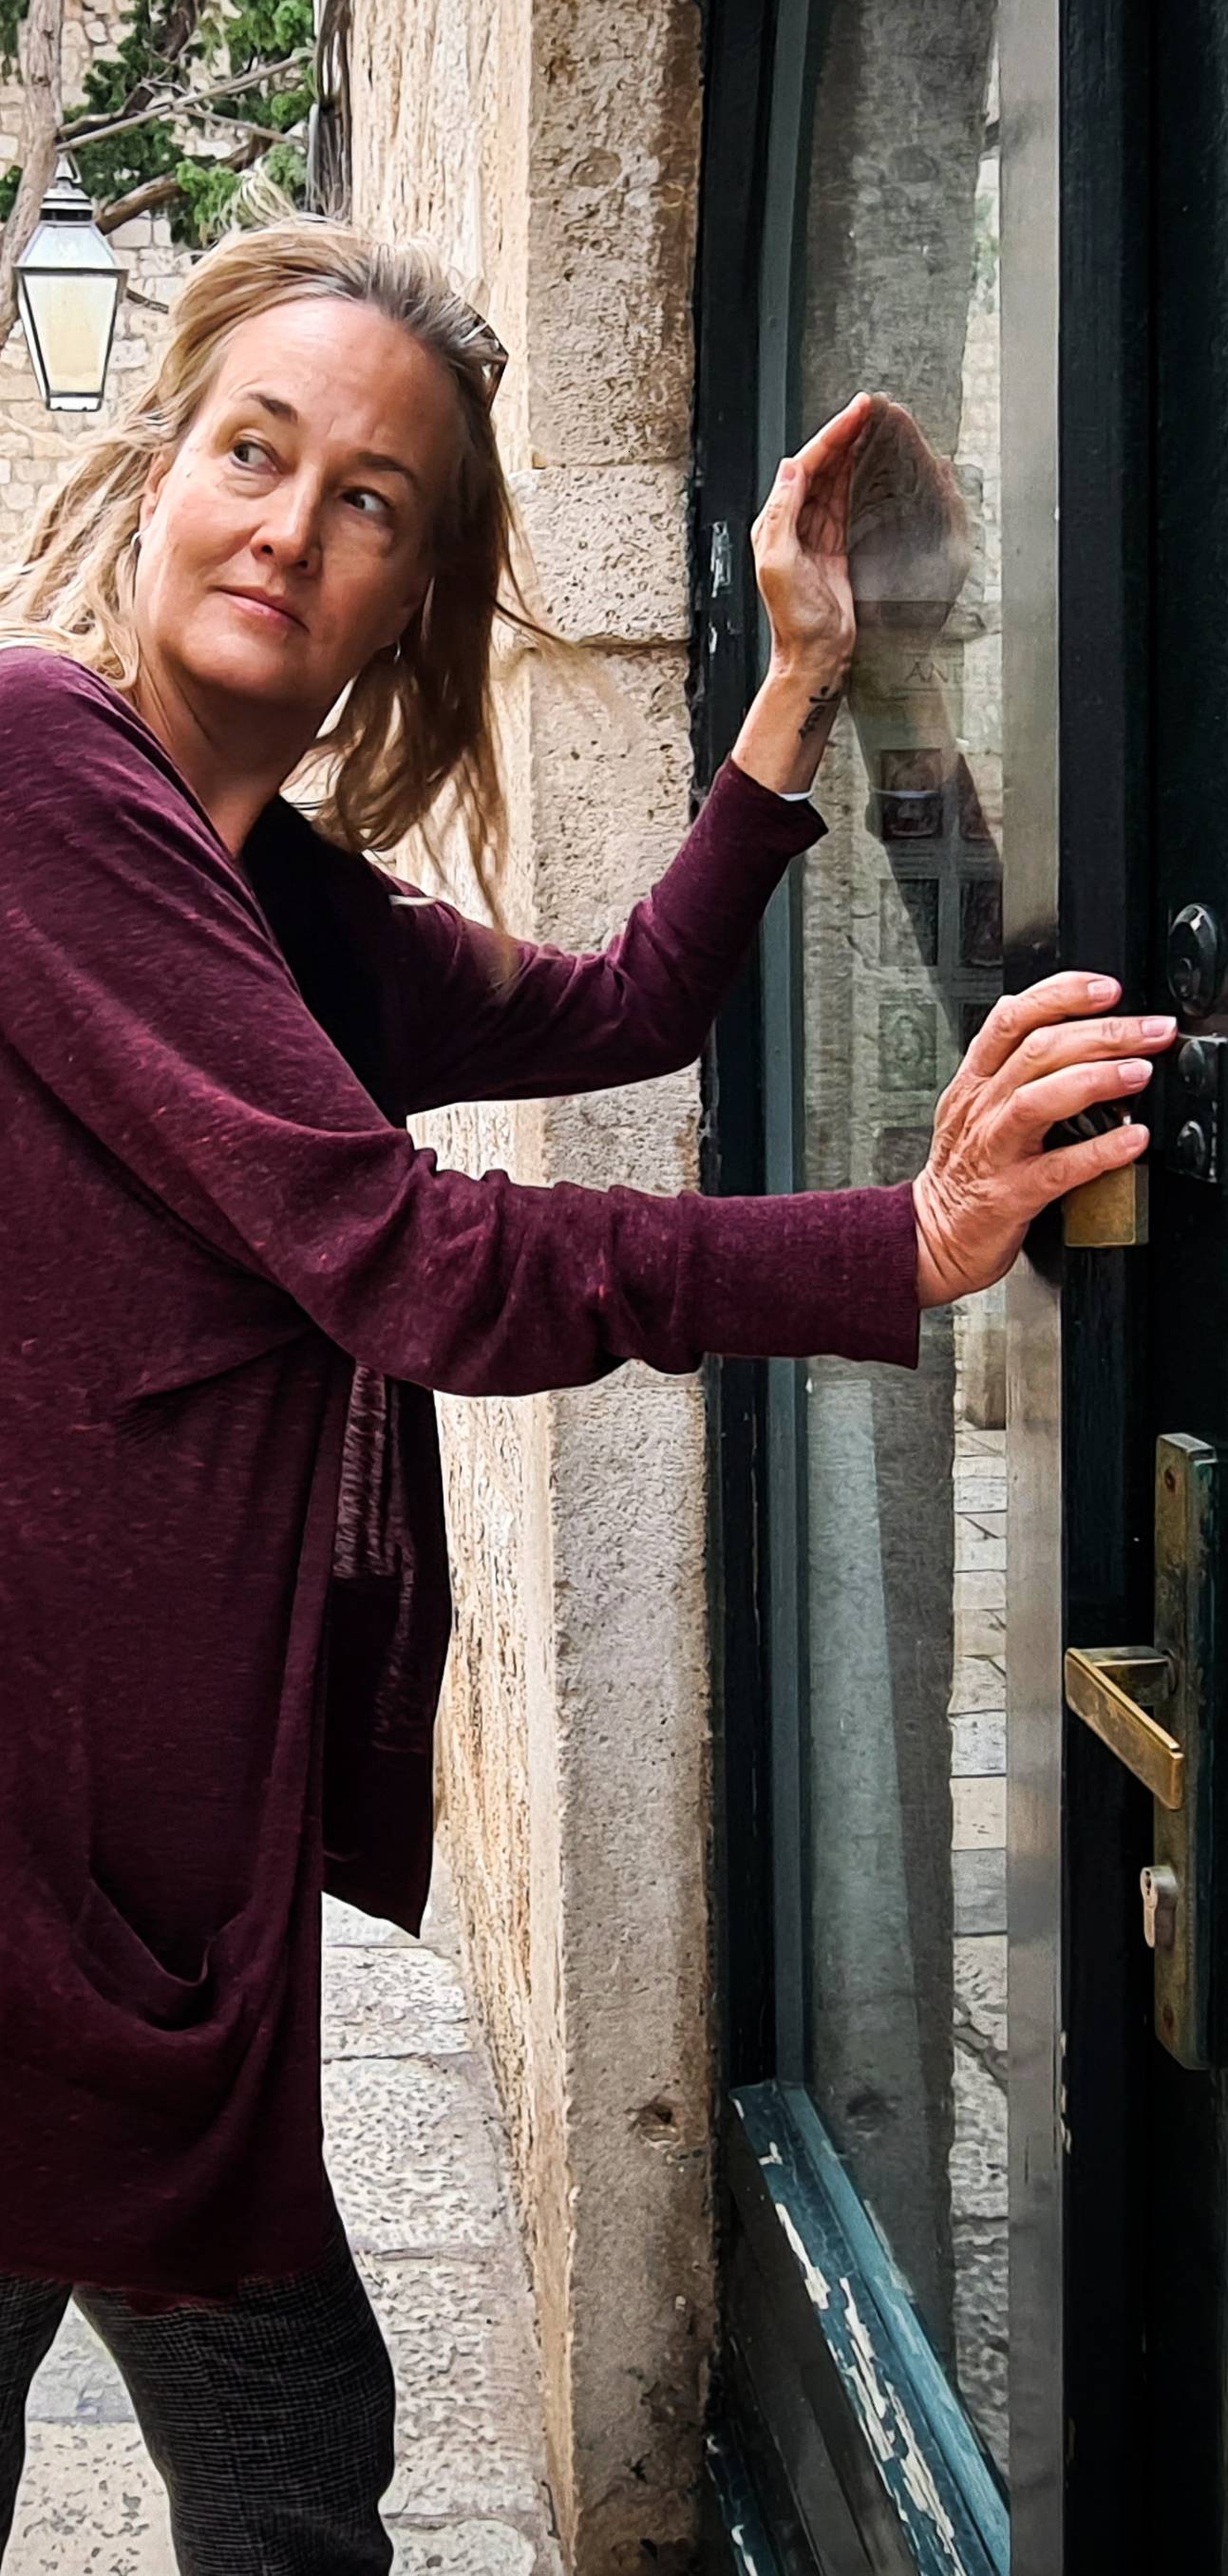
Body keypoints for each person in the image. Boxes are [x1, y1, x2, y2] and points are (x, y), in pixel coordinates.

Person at [0, 213, 1168, 2570]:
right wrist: (899, 1242)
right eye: (260, 447)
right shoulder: (36, 773)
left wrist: (799, 681)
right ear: (156, 467)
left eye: (375, 502)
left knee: (282, 2430)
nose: (293, 524)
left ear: (410, 599)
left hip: (144, 1861)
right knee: (296, 2444)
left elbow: (628, 1006)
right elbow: (410, 1256)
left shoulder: (302, 916)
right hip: (40, 1840)